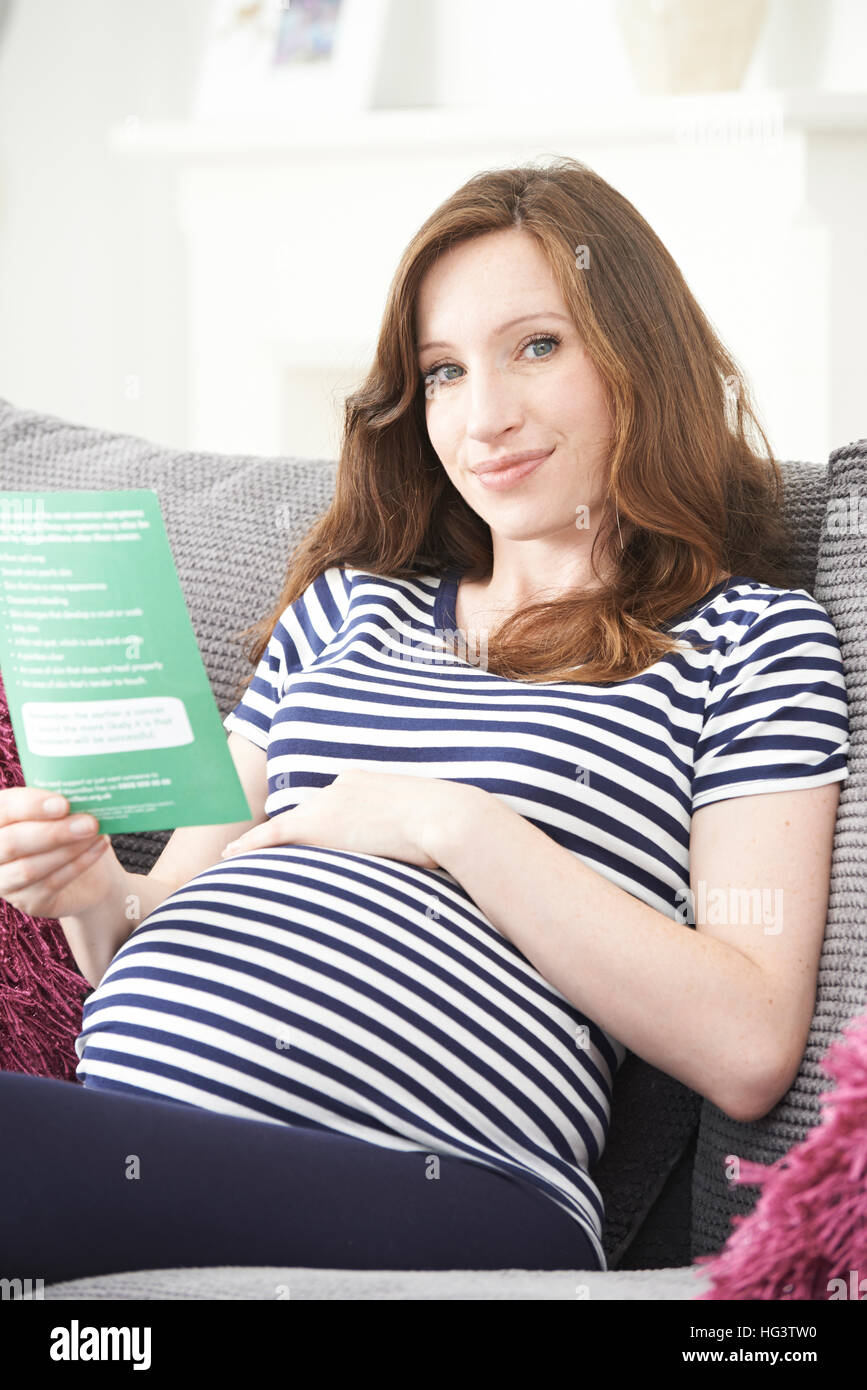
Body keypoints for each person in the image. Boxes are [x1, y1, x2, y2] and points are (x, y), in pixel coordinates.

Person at [0, 156, 849, 1286]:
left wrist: (453, 824)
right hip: (162, 1158)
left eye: (536, 346)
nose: (484, 416)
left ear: (639, 354)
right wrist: (97, 893)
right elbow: (157, 922)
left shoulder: (750, 641)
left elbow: (748, 1040)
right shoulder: (349, 605)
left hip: (454, 1200)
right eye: (443, 372)